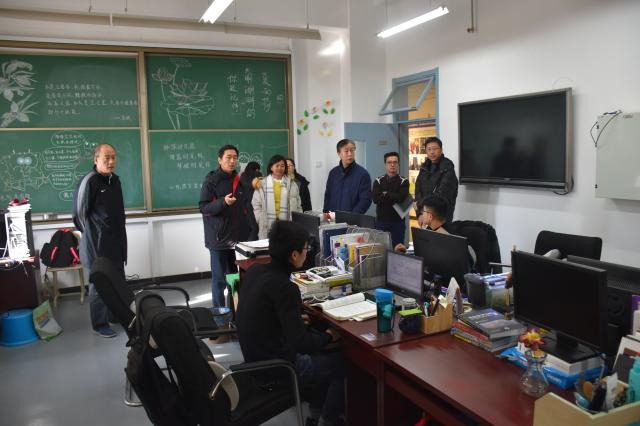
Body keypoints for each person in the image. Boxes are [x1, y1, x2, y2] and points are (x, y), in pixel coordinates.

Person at [236, 220, 344, 426]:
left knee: (322, 353)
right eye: (306, 249)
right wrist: (330, 335)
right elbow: (302, 344)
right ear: (294, 255)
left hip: (254, 359)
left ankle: (314, 416)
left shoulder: (255, 271)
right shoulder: (285, 287)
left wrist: (292, 321)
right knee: (340, 363)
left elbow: (265, 316)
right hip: (279, 368)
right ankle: (327, 421)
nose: (307, 252)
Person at [72, 143, 127, 338]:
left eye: (113, 157)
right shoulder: (89, 181)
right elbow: (78, 215)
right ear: (96, 160)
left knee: (117, 281)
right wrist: (94, 233)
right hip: (96, 244)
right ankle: (99, 324)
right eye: (106, 158)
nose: (111, 161)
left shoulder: (115, 181)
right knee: (99, 284)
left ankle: (114, 315)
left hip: (116, 242)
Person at [199, 145, 251, 326]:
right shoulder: (211, 181)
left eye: (235, 157)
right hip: (219, 240)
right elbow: (203, 207)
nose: (232, 160)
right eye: (228, 157)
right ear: (219, 159)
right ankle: (220, 321)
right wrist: (223, 202)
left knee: (235, 280)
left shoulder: (240, 180)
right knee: (219, 281)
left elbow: (246, 208)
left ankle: (236, 318)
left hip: (238, 240)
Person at [252, 154, 302, 239]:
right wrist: (260, 219)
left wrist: (298, 219)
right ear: (271, 167)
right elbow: (256, 204)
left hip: (289, 225)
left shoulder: (292, 184)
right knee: (269, 247)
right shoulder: (262, 184)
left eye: (282, 166)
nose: (280, 168)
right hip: (267, 225)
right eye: (277, 165)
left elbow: (298, 204)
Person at [414, 137, 458, 222]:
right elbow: (418, 191)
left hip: (441, 216)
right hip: (425, 215)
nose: (432, 152)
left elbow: (442, 195)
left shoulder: (447, 167)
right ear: (426, 151)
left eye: (435, 149)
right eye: (429, 149)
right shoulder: (424, 167)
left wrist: (420, 205)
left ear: (441, 150)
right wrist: (419, 214)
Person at [323, 139, 372, 214]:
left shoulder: (363, 174)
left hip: (352, 218)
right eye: (346, 151)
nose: (350, 154)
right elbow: (328, 195)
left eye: (352, 150)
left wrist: (353, 216)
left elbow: (365, 200)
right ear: (339, 153)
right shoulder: (333, 173)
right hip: (333, 218)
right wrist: (326, 213)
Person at [372, 152, 409, 247]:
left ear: (398, 164)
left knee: (398, 249)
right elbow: (376, 199)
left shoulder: (404, 181)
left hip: (398, 222)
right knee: (381, 249)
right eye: (389, 162)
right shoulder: (378, 181)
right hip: (381, 222)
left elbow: (401, 198)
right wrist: (394, 196)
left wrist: (386, 194)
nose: (392, 165)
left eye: (395, 162)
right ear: (385, 164)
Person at [240, 161, 262, 240]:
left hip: (246, 206)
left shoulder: (242, 176)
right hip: (258, 205)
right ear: (256, 169)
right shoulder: (258, 175)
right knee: (258, 227)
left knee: (251, 228)